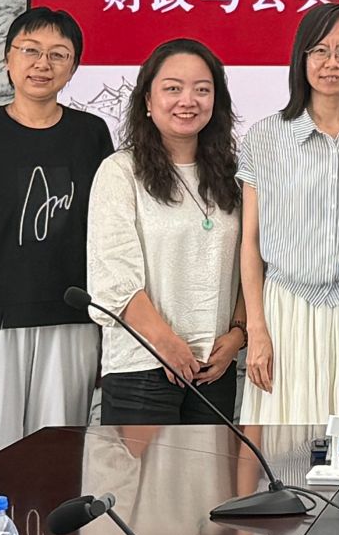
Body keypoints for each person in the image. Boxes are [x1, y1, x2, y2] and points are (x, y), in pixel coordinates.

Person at [0, 7, 113, 466]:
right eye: (30, 50)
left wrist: (105, 334)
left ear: (73, 67)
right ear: (8, 58)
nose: (42, 64)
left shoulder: (91, 134)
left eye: (58, 54)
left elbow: (107, 238)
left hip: (70, 322)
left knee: (58, 461)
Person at [239, 2, 339, 425]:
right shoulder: (265, 137)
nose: (332, 63)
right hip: (287, 310)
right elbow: (251, 243)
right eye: (320, 51)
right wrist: (257, 329)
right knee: (285, 443)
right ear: (302, 58)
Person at [86, 38, 247, 423]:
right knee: (139, 468)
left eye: (202, 90)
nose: (187, 101)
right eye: (173, 88)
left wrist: (238, 336)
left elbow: (251, 263)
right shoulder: (120, 172)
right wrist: (168, 345)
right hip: (143, 364)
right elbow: (114, 279)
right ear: (147, 100)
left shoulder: (233, 175)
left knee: (212, 467)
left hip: (214, 368)